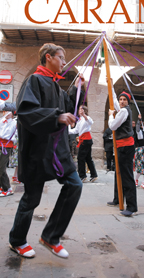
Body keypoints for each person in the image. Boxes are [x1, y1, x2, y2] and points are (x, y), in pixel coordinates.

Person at [9, 43, 84, 259]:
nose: (64, 62)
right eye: (61, 57)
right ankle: (17, 241)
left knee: (75, 185)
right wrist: (55, 116)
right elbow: (25, 111)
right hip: (37, 151)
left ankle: (51, 236)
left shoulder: (57, 88)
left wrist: (79, 88)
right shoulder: (34, 80)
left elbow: (68, 106)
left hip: (57, 152)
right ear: (48, 57)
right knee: (31, 199)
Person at [106, 90, 138, 217]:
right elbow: (114, 99)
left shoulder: (124, 111)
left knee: (126, 176)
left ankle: (131, 206)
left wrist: (110, 115)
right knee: (118, 173)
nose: (122, 101)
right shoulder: (121, 109)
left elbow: (112, 126)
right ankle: (118, 199)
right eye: (121, 99)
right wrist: (111, 84)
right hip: (121, 146)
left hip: (126, 146)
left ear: (128, 102)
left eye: (124, 99)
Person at [68, 105, 98, 182]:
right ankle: (93, 175)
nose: (79, 111)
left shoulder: (86, 118)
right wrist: (68, 125)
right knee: (88, 158)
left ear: (84, 111)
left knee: (81, 158)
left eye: (81, 109)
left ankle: (82, 176)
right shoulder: (80, 120)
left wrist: (84, 115)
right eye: (79, 109)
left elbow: (90, 122)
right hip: (85, 140)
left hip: (85, 140)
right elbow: (75, 131)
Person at [0, 111, 17, 196]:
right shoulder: (1, 121)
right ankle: (2, 187)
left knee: (1, 168)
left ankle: (7, 188)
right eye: (5, 111)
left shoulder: (14, 122)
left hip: (7, 146)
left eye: (9, 112)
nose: (7, 113)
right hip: (0, 144)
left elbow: (8, 134)